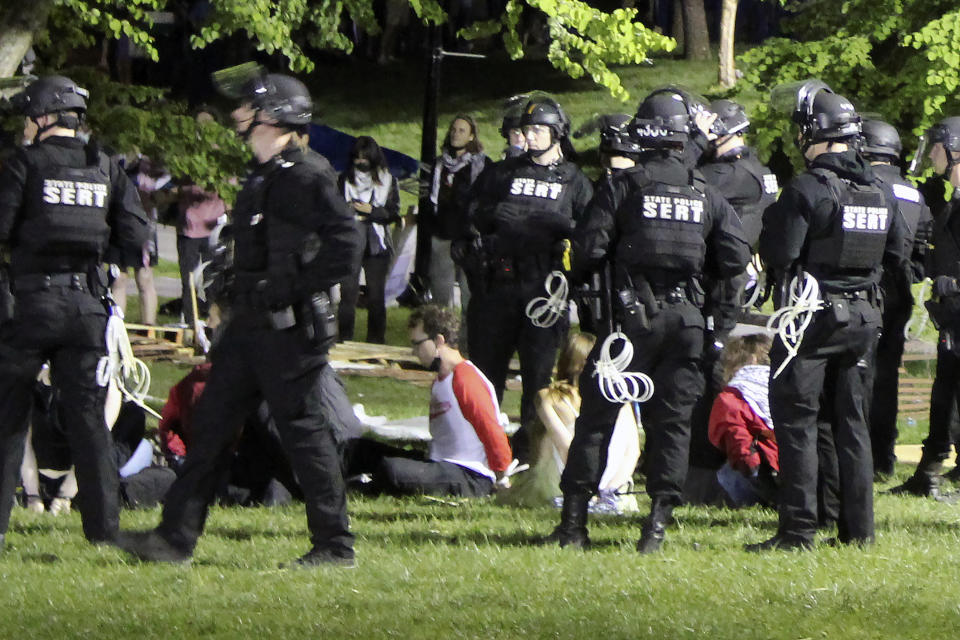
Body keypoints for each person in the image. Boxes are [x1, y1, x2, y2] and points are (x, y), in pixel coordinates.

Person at [117, 70, 361, 568]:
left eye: (247, 107)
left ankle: (335, 545)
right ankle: (173, 538)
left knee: (303, 433)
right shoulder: (265, 175)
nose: (236, 114)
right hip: (249, 330)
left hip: (289, 332)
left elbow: (347, 244)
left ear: (273, 117)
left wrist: (291, 287)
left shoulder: (308, 175)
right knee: (209, 428)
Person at [552, 87, 750, 552]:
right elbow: (736, 257)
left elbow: (588, 251)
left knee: (597, 421)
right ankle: (656, 528)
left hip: (626, 324)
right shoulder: (706, 193)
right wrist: (716, 323)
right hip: (685, 324)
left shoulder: (623, 186)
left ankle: (574, 525)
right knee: (673, 425)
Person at [750, 80, 907, 551]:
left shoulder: (807, 187)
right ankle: (858, 532)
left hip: (812, 320)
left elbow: (780, 252)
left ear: (811, 133)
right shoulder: (879, 189)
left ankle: (797, 531)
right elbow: (899, 254)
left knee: (797, 422)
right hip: (865, 319)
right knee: (852, 426)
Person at [0, 75, 150, 550]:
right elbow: (137, 237)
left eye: (29, 118)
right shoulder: (105, 165)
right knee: (89, 420)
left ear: (44, 118)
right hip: (88, 306)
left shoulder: (24, 164)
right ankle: (104, 534)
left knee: (8, 417)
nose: (25, 127)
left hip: (29, 305)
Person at [462, 94, 593, 463]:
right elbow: (468, 216)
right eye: (526, 129)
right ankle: (481, 452)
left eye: (538, 130)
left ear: (557, 133)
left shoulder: (574, 181)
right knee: (487, 374)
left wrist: (561, 227)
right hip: (497, 287)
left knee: (538, 377)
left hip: (543, 291)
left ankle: (531, 454)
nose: (530, 136)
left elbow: (589, 233)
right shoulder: (502, 173)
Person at [686, 98, 780, 498]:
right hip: (739, 284)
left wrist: (691, 143)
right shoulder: (757, 170)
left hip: (719, 286)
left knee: (706, 374)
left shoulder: (727, 176)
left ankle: (705, 471)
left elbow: (680, 182)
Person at [343, 305, 513, 497]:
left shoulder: (465, 378)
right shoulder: (441, 379)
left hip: (470, 475)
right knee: (358, 449)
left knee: (391, 469)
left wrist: (502, 479)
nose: (414, 352)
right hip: (440, 464)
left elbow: (490, 429)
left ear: (439, 341)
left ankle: (358, 487)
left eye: (417, 344)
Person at [858, 119, 933, 479]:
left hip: (865, 287)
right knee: (887, 375)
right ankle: (883, 457)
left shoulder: (860, 185)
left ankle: (860, 456)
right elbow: (923, 249)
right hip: (899, 292)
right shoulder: (914, 193)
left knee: (857, 373)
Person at [891, 116, 960, 497]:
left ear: (954, 152)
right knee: (943, 391)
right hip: (951, 316)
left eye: (936, 147)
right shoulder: (951, 203)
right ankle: (930, 469)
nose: (931, 155)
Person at [496, 331, 640, 512]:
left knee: (547, 439)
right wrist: (610, 488)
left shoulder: (549, 397)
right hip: (615, 488)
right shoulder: (621, 399)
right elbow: (633, 452)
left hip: (567, 482)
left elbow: (567, 449)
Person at [337, 136, 401, 344]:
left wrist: (372, 211)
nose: (361, 161)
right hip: (350, 240)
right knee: (348, 294)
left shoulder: (388, 180)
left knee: (376, 295)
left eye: (365, 157)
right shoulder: (344, 179)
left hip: (377, 242)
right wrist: (350, 209)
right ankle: (345, 338)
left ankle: (376, 341)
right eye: (357, 158)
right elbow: (335, 210)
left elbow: (393, 213)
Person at [708, 334, 778, 507]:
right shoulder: (785, 384)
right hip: (797, 472)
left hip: (764, 473)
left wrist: (754, 473)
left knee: (724, 473)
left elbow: (738, 440)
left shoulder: (732, 396)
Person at [427, 115, 490, 307]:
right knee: (440, 294)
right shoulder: (439, 165)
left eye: (462, 130)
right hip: (443, 234)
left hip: (469, 237)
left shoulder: (482, 165)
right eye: (453, 129)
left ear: (472, 136)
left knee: (469, 294)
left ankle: (466, 337)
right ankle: (443, 335)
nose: (456, 134)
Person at [109, 155, 167, 324]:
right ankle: (118, 327)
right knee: (119, 278)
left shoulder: (152, 165)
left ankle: (148, 327)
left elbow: (162, 192)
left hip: (142, 224)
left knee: (144, 277)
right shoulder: (114, 160)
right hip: (118, 222)